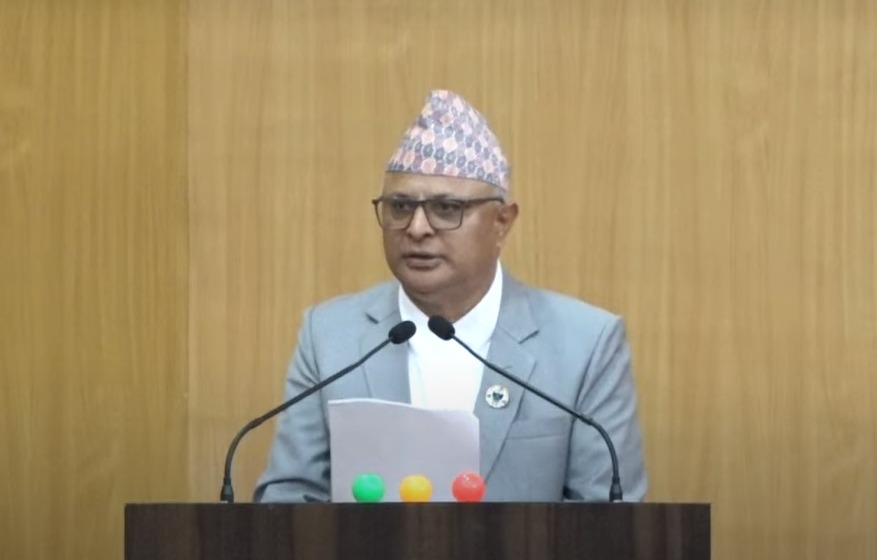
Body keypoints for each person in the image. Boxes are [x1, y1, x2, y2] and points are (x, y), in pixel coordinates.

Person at [254, 89, 647, 502]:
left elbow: (608, 515)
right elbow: (288, 501)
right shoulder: (329, 337)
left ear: (502, 222)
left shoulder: (585, 344)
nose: (417, 228)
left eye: (446, 208)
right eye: (400, 206)